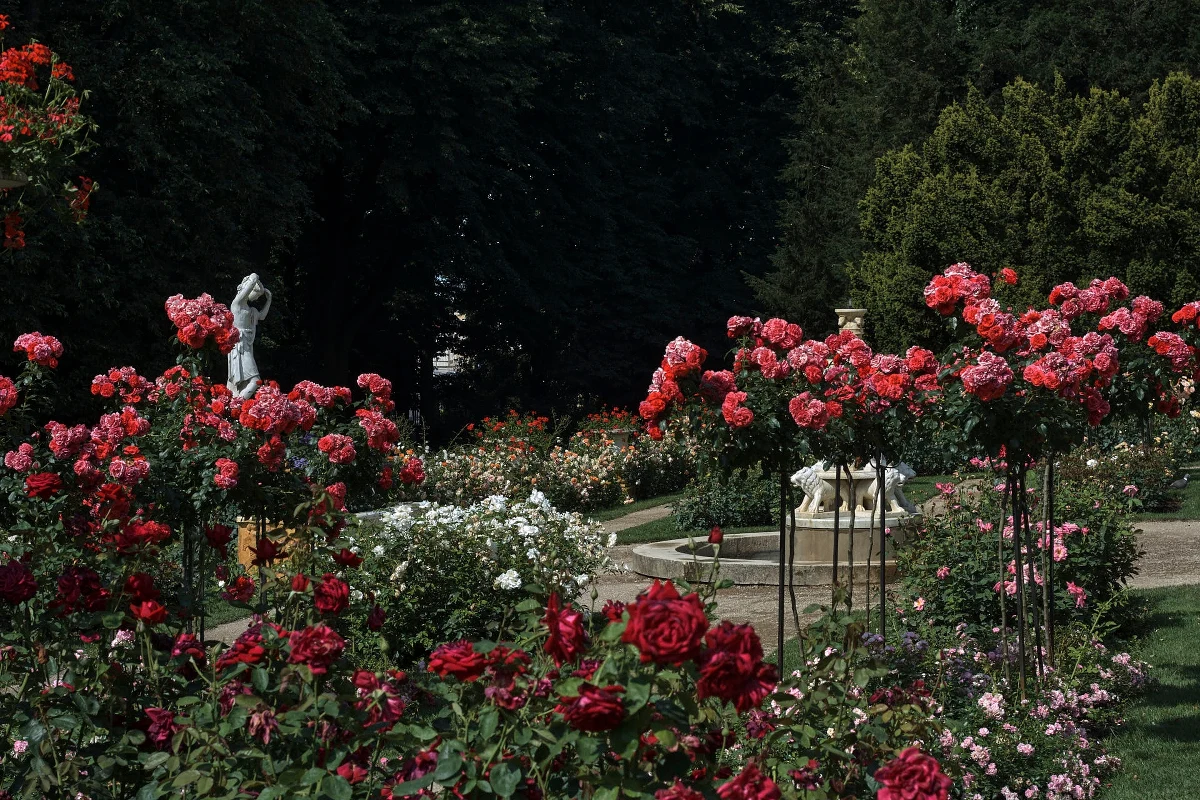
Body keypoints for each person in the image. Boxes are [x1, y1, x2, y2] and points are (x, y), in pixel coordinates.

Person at [227, 273, 271, 398]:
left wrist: (269, 300)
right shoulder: (237, 304)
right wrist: (255, 277)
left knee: (244, 383)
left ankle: (234, 403)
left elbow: (262, 316)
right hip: (239, 346)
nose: (256, 298)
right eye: (255, 294)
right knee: (255, 380)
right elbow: (252, 279)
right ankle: (238, 405)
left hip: (246, 345)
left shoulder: (251, 311)